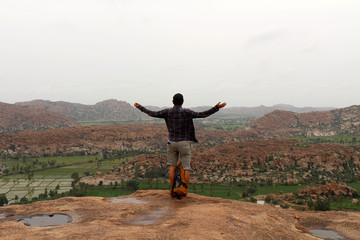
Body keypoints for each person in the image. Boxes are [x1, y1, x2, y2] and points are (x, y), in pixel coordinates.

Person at [134, 93, 226, 190]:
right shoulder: (186, 112)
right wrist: (216, 107)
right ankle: (184, 190)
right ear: (182, 102)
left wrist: (139, 107)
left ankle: (173, 189)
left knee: (172, 167)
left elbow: (151, 113)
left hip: (172, 142)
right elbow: (202, 114)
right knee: (186, 168)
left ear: (173, 101)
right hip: (184, 143)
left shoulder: (167, 112)